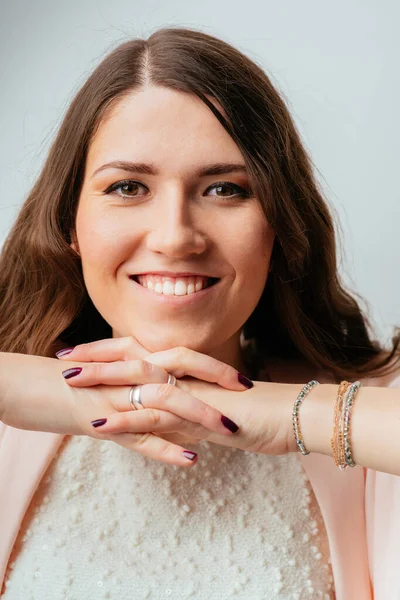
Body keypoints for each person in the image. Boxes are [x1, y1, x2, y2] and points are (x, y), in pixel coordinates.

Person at [0, 26, 399, 600]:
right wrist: (38, 391)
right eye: (129, 186)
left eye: (224, 190)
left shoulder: (367, 433)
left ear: (279, 225)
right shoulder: (12, 419)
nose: (175, 237)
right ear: (70, 225)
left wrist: (285, 416)